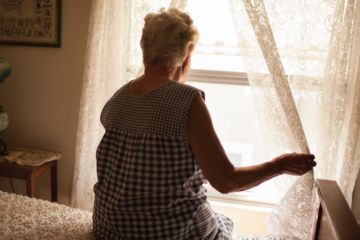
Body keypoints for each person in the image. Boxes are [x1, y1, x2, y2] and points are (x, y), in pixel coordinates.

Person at [92, 7, 316, 240]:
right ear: (187, 55)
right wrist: (279, 165)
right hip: (164, 235)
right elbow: (226, 181)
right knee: (225, 225)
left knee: (219, 218)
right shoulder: (186, 100)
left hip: (108, 229)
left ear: (145, 50)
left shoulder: (117, 98)